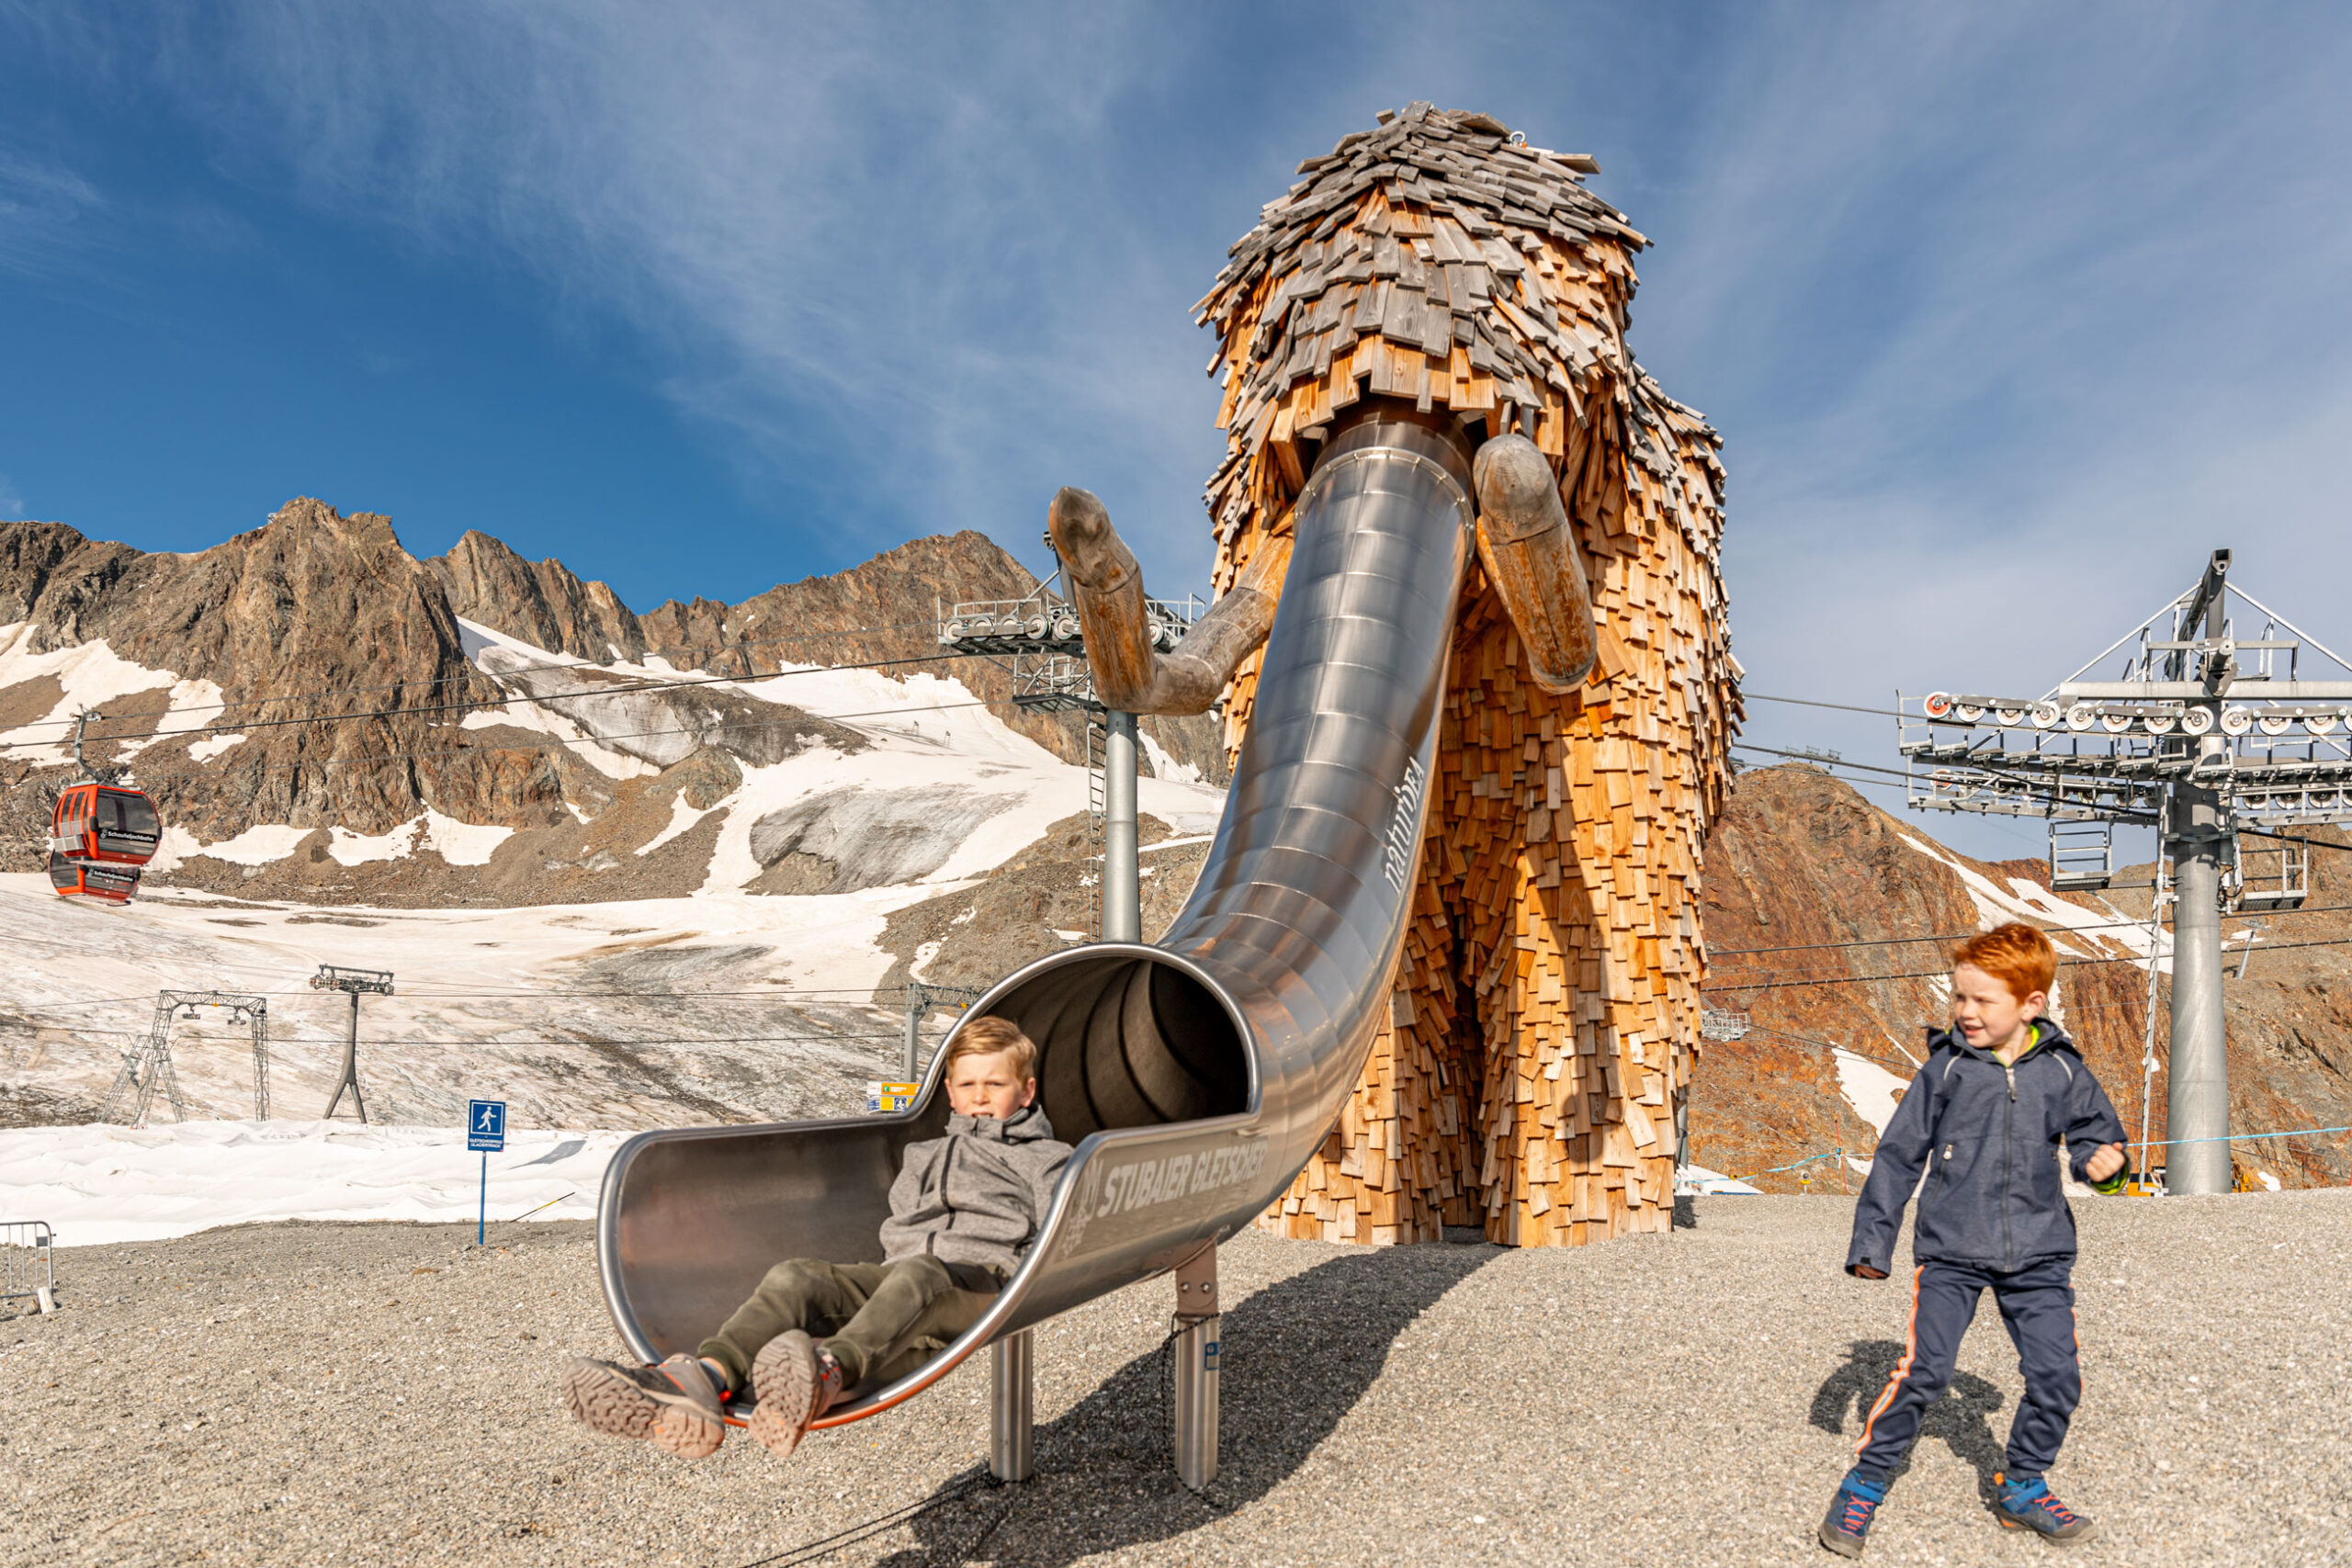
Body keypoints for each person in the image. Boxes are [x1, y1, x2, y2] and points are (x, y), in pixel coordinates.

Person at [561, 1016, 1071, 1460]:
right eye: (968, 1084)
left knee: (921, 1276)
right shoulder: (924, 1154)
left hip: (987, 1288)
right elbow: (901, 1228)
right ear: (950, 1092)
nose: (980, 1096)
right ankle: (701, 1379)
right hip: (905, 1279)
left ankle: (827, 1372)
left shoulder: (1045, 1159)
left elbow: (1059, 1232)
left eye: (995, 1084)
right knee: (797, 1277)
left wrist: (1020, 1280)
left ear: (1026, 1092)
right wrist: (872, 1290)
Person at [1819, 922, 2132, 1558]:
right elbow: (1898, 1157)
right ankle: (1865, 1482)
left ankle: (2023, 1484)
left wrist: (2104, 1164)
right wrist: (1872, 1244)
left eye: (1982, 1000)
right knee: (1925, 1372)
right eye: (1960, 997)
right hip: (1951, 1252)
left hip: (2040, 1253)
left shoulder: (2063, 1070)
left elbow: (2098, 1137)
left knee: (2057, 1375)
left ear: (2030, 1004)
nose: (1965, 1011)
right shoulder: (1946, 1070)